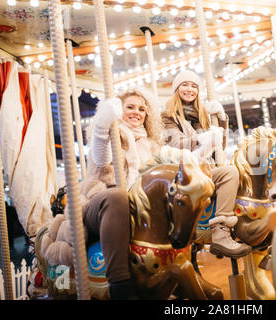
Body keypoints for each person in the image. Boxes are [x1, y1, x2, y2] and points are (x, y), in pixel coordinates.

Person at [80, 87, 162, 299]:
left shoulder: (151, 145)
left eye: (142, 109)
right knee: (119, 196)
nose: (137, 112)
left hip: (139, 207)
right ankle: (120, 283)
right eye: (130, 107)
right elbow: (101, 157)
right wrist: (103, 125)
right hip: (102, 205)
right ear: (119, 110)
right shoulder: (111, 134)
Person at [162, 70, 251, 258]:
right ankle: (219, 232)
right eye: (185, 85)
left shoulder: (203, 114)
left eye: (194, 86)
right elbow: (176, 143)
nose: (189, 89)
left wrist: (221, 120)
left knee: (236, 173)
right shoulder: (168, 115)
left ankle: (233, 232)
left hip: (205, 168)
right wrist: (204, 138)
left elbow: (221, 145)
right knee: (228, 173)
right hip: (183, 170)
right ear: (177, 88)